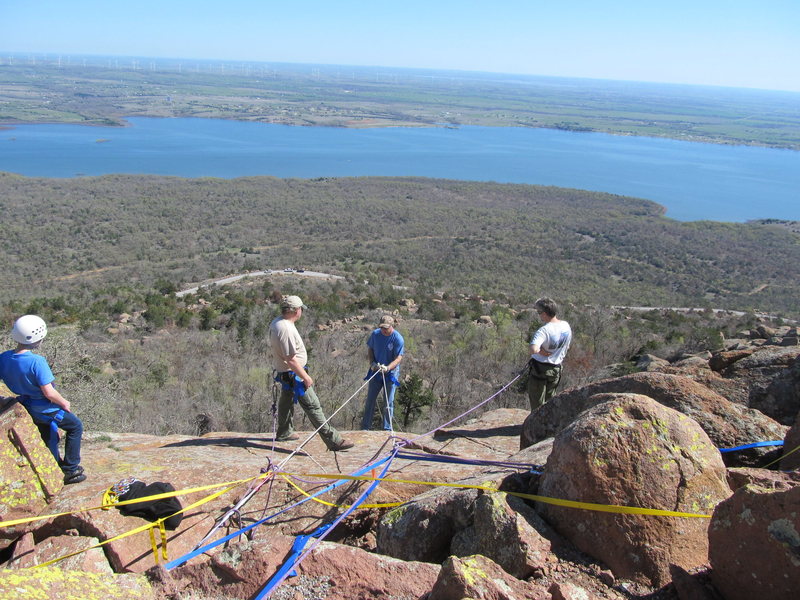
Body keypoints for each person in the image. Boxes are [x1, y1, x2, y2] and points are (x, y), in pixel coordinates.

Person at [0, 315, 87, 484]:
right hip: (46, 408)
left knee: (47, 433)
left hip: (26, 405)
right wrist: (63, 402)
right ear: (37, 338)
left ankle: (55, 464)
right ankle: (71, 469)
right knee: (75, 426)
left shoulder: (4, 358)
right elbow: (49, 392)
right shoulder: (37, 361)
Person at [269, 295, 354, 451]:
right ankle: (333, 440)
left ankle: (284, 432)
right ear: (295, 310)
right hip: (293, 375)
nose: (301, 311)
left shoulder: (277, 322)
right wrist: (305, 377)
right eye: (300, 308)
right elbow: (291, 359)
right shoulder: (285, 328)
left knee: (286, 402)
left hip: (286, 373)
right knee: (313, 406)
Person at [527, 298, 572, 411]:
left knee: (537, 404)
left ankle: (536, 426)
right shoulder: (565, 326)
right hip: (556, 369)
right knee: (550, 401)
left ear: (545, 313)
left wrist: (541, 351)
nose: (539, 315)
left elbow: (533, 348)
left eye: (539, 313)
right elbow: (567, 346)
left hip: (540, 370)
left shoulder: (544, 330)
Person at [361, 315, 405, 431]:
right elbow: (370, 349)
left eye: (386, 328)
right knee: (370, 400)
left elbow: (398, 358)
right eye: (382, 328)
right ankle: (365, 427)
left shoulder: (397, 339)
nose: (384, 330)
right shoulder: (375, 334)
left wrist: (388, 368)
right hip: (376, 371)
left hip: (390, 374)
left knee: (388, 402)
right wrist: (372, 363)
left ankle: (387, 428)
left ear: (392, 326)